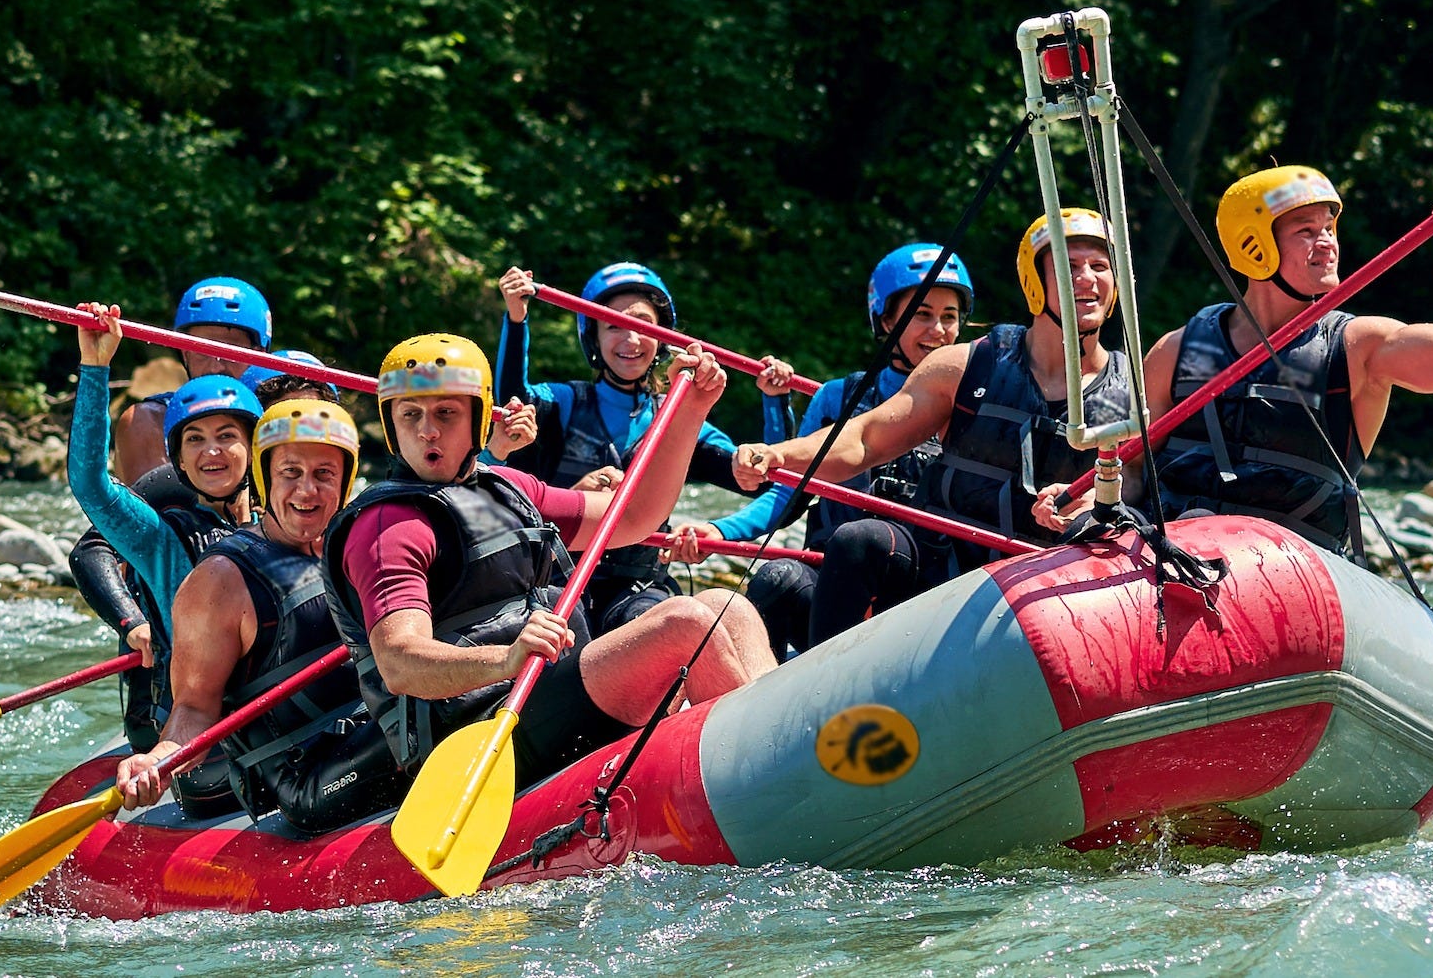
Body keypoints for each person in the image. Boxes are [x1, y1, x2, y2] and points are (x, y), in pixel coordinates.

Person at [325, 335, 774, 787]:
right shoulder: (385, 528)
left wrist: (690, 412)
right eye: (410, 415)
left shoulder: (506, 488)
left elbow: (636, 515)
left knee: (727, 607)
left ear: (479, 419)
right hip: (477, 725)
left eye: (446, 412)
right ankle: (764, 778)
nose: (427, 430)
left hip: (549, 687)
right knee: (682, 623)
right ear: (391, 424)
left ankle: (780, 744)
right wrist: (506, 659)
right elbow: (400, 662)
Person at [730, 212, 1137, 641]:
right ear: (1036, 281)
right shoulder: (965, 364)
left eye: (1099, 266)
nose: (1087, 279)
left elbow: (1139, 487)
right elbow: (867, 439)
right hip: (940, 566)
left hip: (1041, 581)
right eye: (1069, 267)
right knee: (859, 540)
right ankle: (822, 694)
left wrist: (1088, 500)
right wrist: (779, 456)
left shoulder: (1133, 390)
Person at [1140, 166, 1433, 555]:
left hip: (1293, 570)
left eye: (1329, 228)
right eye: (1306, 232)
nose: (1328, 243)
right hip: (1176, 556)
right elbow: (1129, 469)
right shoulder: (1177, 350)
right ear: (1254, 245)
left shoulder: (1358, 346)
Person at [108, 397, 394, 833]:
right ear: (263, 478)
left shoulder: (361, 544)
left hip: (370, 727)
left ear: (347, 480)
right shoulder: (221, 580)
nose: (306, 491)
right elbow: (193, 710)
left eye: (324, 475)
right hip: (305, 775)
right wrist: (156, 760)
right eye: (290, 474)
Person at [489, 262, 792, 630]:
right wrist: (517, 317)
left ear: (661, 336)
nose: (630, 340)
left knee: (654, 621)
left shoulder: (681, 419)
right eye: (613, 326)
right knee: (567, 629)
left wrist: (775, 401)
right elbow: (512, 400)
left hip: (640, 584)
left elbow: (768, 482)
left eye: (642, 326)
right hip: (556, 577)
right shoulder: (566, 402)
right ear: (594, 337)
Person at [720, 243, 975, 655]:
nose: (938, 330)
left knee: (866, 542)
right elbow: (788, 497)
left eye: (949, 317)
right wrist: (717, 530)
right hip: (834, 585)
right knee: (777, 578)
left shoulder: (971, 405)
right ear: (887, 320)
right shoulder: (837, 399)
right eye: (922, 315)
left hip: (920, 590)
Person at [62, 314, 260, 752]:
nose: (211, 450)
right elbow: (89, 483)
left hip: (273, 721)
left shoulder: (283, 521)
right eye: (194, 439)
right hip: (203, 739)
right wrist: (95, 368)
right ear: (180, 461)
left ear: (254, 448)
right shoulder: (160, 540)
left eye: (227, 435)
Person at [115, 276, 279, 486]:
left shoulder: (278, 420)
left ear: (260, 353)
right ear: (185, 355)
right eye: (202, 352)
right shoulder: (150, 421)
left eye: (229, 352)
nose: (215, 367)